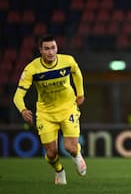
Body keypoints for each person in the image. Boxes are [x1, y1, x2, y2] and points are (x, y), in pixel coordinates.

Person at [13, 34, 87, 185]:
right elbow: (17, 96)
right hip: (45, 113)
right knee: (52, 153)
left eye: (53, 48)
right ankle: (59, 170)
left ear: (57, 48)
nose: (51, 52)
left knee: (69, 147)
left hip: (68, 108)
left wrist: (80, 93)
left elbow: (77, 72)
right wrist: (23, 110)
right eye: (46, 49)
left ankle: (77, 154)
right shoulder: (32, 69)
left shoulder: (67, 61)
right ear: (40, 50)